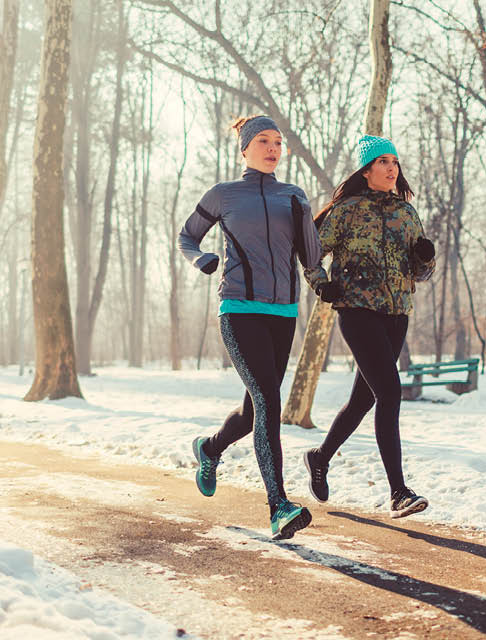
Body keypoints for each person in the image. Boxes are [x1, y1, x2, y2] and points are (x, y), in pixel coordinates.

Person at [178, 115, 322, 540]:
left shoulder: (292, 195)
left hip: (284, 313)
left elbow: (311, 256)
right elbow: (187, 237)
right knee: (268, 401)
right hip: (239, 308)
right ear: (244, 149)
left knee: (252, 411)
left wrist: (304, 217)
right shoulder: (224, 194)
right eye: (263, 140)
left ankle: (209, 448)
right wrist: (201, 260)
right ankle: (279, 506)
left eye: (278, 142)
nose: (273, 148)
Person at [301, 134, 436, 518]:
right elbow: (310, 253)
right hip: (357, 311)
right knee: (390, 393)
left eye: (394, 161)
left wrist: (425, 259)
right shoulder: (346, 211)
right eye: (382, 162)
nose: (391, 168)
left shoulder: (406, 213)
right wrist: (322, 285)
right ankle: (398, 492)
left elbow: (420, 272)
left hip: (397, 314)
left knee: (364, 399)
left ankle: (320, 457)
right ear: (366, 169)